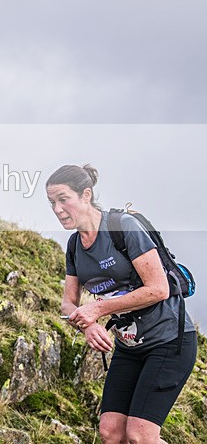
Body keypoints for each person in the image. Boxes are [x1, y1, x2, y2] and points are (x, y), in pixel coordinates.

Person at [47, 164, 196, 444]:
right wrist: (87, 326)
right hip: (129, 347)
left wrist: (98, 309)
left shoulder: (122, 227)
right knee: (111, 432)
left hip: (169, 341)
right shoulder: (74, 246)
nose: (57, 209)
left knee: (140, 436)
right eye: (52, 202)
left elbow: (159, 289)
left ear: (86, 195)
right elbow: (68, 303)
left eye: (63, 199)